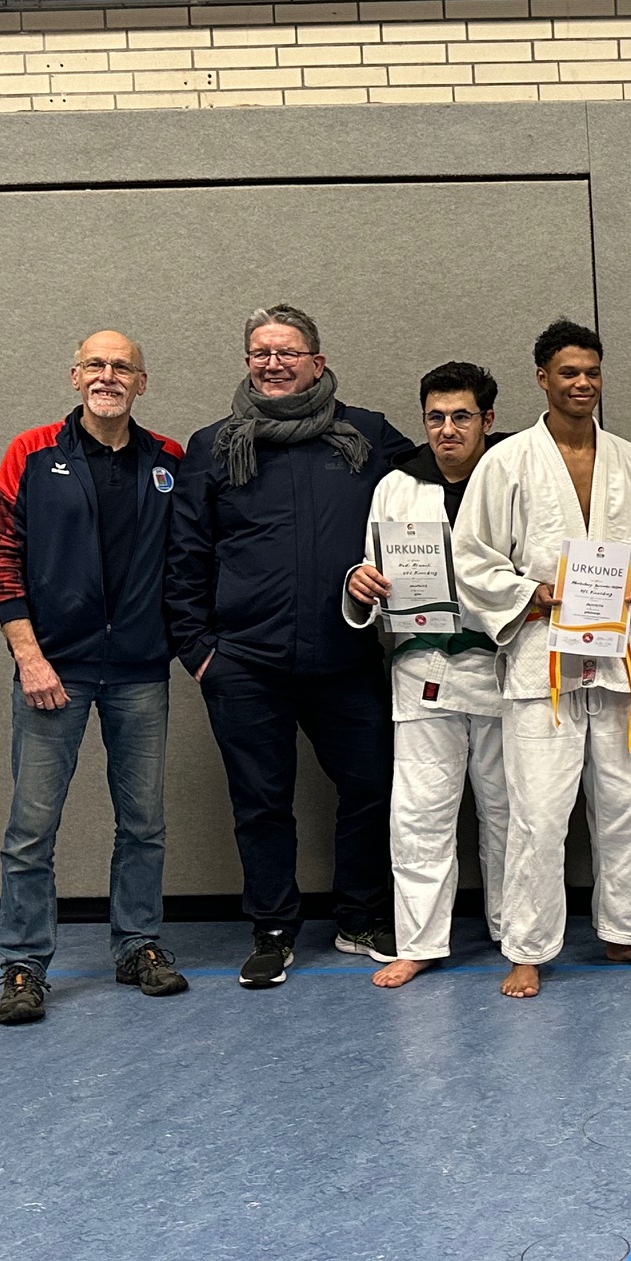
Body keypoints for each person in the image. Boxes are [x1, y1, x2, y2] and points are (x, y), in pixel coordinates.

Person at [166, 305, 411, 990]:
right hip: (244, 663)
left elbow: (449, 474)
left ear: (318, 362)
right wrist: (201, 652)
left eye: (288, 352)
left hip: (345, 656)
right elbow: (185, 554)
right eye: (260, 353)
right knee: (261, 801)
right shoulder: (214, 444)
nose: (273, 364)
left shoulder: (366, 435)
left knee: (371, 787)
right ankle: (273, 929)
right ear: (247, 362)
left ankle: (360, 916)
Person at [451, 319, 631, 998]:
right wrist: (535, 592)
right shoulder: (507, 461)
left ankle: (624, 930)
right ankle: (527, 946)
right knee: (540, 813)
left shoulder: (630, 460)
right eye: (569, 373)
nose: (583, 384)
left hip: (615, 657)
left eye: (592, 372)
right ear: (542, 378)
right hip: (541, 658)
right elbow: (473, 557)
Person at [0, 331, 188, 1024]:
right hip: (53, 670)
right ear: (75, 377)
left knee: (144, 823)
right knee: (32, 828)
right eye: (96, 365)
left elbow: (192, 559)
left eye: (122, 366)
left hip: (138, 672)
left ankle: (137, 946)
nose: (109, 375)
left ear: (142, 382)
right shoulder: (31, 454)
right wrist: (28, 656)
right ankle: (23, 963)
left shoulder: (169, 461)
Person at [343, 362, 510, 988]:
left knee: (510, 811)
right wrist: (361, 588)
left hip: (502, 669)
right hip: (423, 669)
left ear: (487, 421)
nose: (447, 430)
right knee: (419, 814)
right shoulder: (395, 487)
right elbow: (373, 575)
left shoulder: (514, 479)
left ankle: (513, 928)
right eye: (435, 418)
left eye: (461, 417)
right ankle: (419, 940)